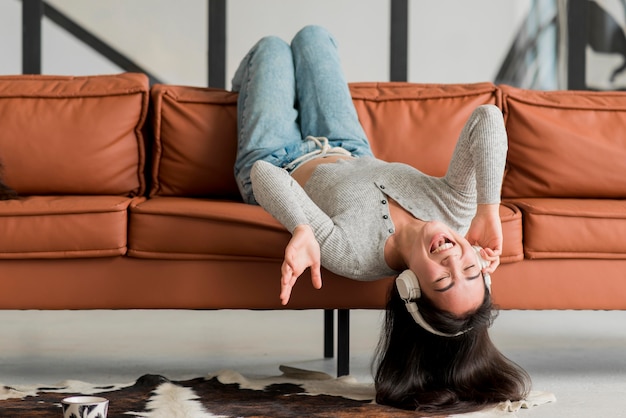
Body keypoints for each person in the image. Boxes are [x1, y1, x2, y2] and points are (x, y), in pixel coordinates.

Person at [231, 25, 531, 413]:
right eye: (471, 270)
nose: (452, 258)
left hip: (277, 156)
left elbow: (263, 175)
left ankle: (245, 81)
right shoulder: (456, 209)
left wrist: (301, 227)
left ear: (410, 287)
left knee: (271, 48)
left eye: (442, 278)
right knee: (313, 38)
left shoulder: (354, 256)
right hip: (348, 145)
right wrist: (489, 208)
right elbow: (487, 118)